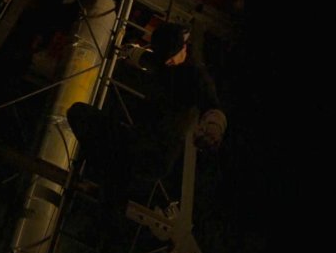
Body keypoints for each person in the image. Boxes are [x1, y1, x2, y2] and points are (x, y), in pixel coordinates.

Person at [66, 22, 227, 216]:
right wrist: (128, 52)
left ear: (183, 48)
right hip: (138, 141)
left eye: (170, 58)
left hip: (156, 153)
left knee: (97, 130)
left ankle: (112, 187)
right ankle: (112, 185)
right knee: (79, 114)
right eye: (164, 59)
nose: (167, 62)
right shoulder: (163, 62)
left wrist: (213, 128)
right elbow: (144, 58)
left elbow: (212, 106)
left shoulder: (195, 75)